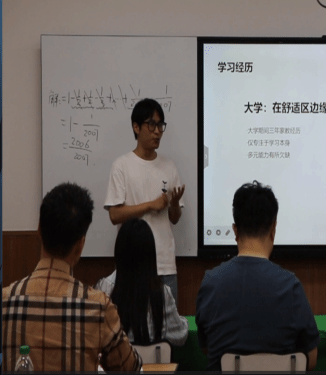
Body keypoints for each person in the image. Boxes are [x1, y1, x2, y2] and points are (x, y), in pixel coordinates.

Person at [2, 182, 142, 372]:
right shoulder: (99, 307)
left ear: (39, 231)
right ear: (80, 245)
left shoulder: (5, 300)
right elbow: (131, 369)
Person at [195, 180, 319, 371]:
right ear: (273, 230)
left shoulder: (210, 283)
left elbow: (206, 348)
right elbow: (310, 359)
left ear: (235, 231)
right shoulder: (291, 286)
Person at [105, 98, 185, 305]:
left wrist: (174, 204)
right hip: (132, 265)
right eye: (151, 125)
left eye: (160, 125)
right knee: (129, 321)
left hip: (165, 265)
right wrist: (150, 205)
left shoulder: (169, 166)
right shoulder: (122, 165)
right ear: (136, 127)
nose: (157, 131)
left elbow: (175, 219)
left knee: (169, 323)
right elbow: (114, 215)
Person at [95, 218, 189, 346]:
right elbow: (180, 337)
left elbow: (96, 334)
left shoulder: (103, 288)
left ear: (118, 251)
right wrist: (184, 322)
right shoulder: (162, 292)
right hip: (153, 359)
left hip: (116, 359)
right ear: (152, 253)